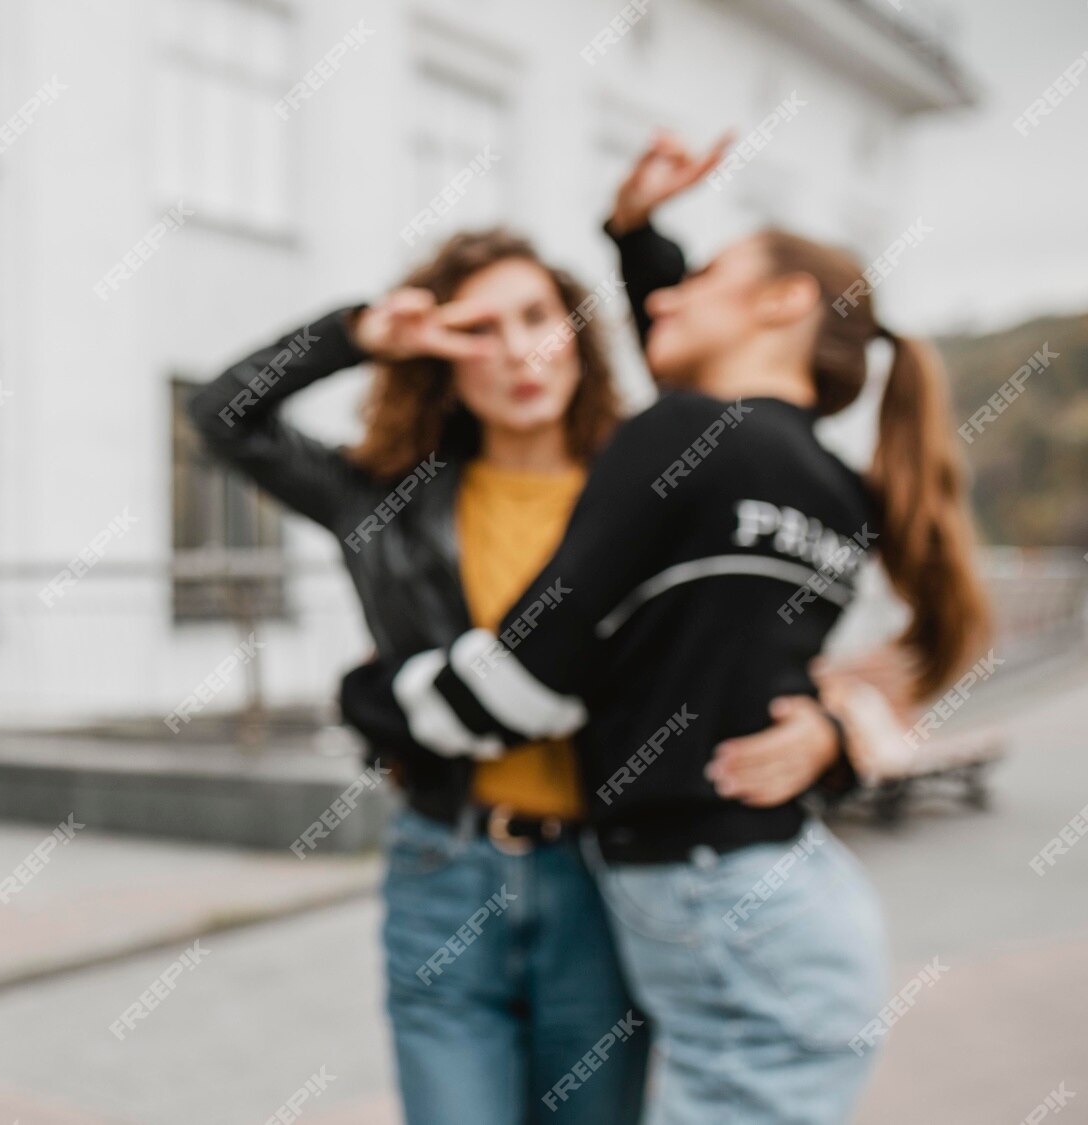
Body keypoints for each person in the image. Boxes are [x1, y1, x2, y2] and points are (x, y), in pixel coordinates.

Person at [343, 132, 990, 1124]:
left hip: (707, 891)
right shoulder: (839, 489)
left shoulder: (683, 438)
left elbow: (525, 684)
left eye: (706, 274)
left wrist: (371, 697)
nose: (662, 297)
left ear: (781, 305)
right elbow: (780, 668)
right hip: (784, 893)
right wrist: (634, 233)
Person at [187, 230, 844, 1124]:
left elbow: (758, 638)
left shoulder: (654, 482)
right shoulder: (386, 497)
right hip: (443, 864)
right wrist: (360, 334)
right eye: (479, 330)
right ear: (440, 361)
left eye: (538, 316)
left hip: (602, 882)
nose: (517, 351)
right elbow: (223, 414)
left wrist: (829, 730)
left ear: (577, 332)